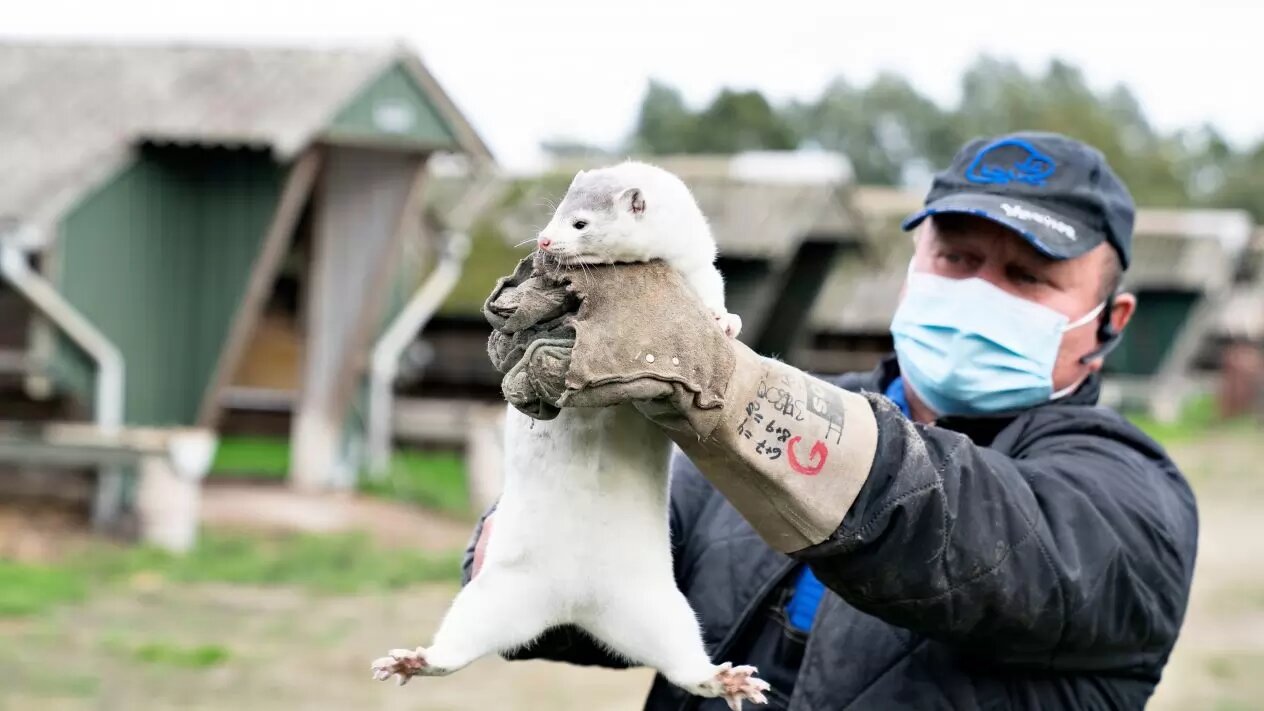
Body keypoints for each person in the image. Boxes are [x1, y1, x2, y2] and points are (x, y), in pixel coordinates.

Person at [464, 131, 1199, 710]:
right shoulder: (751, 430)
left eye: (1027, 276)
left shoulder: (1133, 501)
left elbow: (958, 525)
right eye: (957, 256)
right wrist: (527, 538)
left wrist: (725, 384)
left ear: (1113, 321)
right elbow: (599, 595)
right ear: (913, 262)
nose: (979, 290)